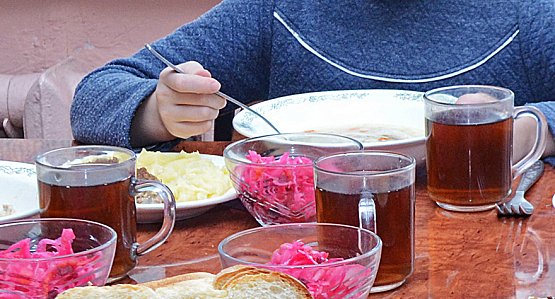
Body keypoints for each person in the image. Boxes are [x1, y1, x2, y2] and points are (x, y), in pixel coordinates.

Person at [70, 0, 555, 164]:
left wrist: (535, 128)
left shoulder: (529, 12)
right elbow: (95, 95)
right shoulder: (277, 9)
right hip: (303, 257)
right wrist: (157, 110)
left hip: (489, 257)